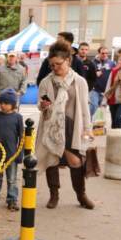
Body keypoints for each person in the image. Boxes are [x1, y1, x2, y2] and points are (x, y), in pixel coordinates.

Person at [36, 41, 95, 210]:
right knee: (52, 159)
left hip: (73, 126)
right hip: (52, 126)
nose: (55, 68)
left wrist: (88, 129)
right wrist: (43, 105)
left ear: (68, 60)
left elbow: (85, 107)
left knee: (76, 161)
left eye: (58, 64)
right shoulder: (46, 82)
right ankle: (54, 195)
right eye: (52, 65)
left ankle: (81, 195)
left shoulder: (79, 81)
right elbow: (40, 104)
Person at [104, 49, 121, 129]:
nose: (119, 62)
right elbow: (108, 85)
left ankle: (119, 137)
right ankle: (114, 138)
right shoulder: (114, 71)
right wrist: (105, 99)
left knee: (119, 119)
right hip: (113, 99)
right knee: (114, 122)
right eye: (119, 60)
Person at [90, 46, 114, 119]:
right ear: (99, 53)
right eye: (102, 53)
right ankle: (88, 121)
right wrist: (95, 74)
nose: (104, 55)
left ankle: (98, 127)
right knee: (93, 106)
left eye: (106, 53)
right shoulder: (93, 62)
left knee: (102, 110)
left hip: (106, 91)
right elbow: (88, 74)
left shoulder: (111, 63)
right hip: (95, 90)